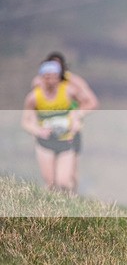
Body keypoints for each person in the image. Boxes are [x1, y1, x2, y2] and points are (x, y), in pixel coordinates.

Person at [21, 60, 97, 193]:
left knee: (63, 182)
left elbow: (89, 102)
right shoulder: (34, 97)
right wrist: (37, 130)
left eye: (55, 76)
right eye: (47, 76)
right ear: (42, 77)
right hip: (45, 142)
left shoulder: (68, 91)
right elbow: (26, 121)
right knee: (50, 183)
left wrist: (77, 116)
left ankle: (68, 208)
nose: (51, 80)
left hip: (65, 140)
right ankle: (49, 209)